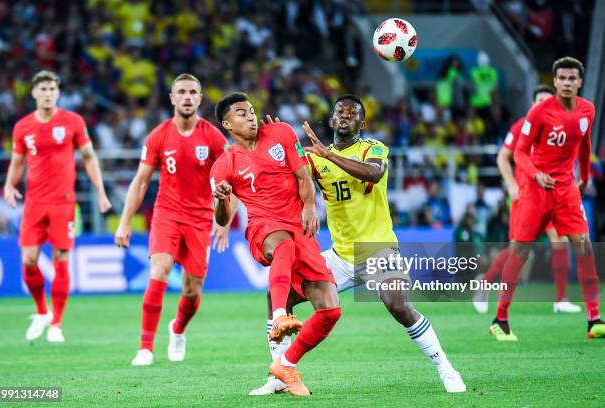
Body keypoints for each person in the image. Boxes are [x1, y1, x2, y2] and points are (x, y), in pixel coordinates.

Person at [250, 95, 466, 396]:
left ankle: (446, 368)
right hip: (339, 256)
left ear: (362, 123)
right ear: (331, 120)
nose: (346, 114)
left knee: (398, 304)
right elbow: (290, 177)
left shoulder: (373, 148)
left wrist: (328, 154)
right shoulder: (315, 160)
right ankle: (279, 374)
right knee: (280, 300)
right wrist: (274, 140)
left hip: (378, 249)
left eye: (353, 112)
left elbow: (373, 173)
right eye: (340, 110)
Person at [210, 92, 341, 396]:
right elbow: (222, 218)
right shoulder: (224, 164)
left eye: (253, 111)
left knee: (330, 311)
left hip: (300, 227)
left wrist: (309, 206)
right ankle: (280, 315)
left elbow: (303, 176)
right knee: (283, 247)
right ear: (228, 124)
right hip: (263, 228)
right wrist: (220, 200)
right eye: (242, 114)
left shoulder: (281, 133)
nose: (252, 116)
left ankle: (285, 366)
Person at [114, 74, 232, 366]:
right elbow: (140, 182)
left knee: (192, 292)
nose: (188, 97)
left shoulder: (214, 137)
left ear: (200, 98)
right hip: (166, 213)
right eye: (182, 92)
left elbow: (232, 181)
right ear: (172, 98)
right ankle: (145, 348)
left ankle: (177, 329)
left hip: (201, 218)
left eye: (193, 92)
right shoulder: (158, 136)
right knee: (160, 271)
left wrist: (224, 220)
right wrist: (124, 221)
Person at [491, 57, 605, 340]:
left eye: (572, 79)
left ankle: (594, 318)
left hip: (567, 189)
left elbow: (584, 144)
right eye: (562, 79)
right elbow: (518, 153)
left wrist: (585, 178)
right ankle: (500, 319)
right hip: (535, 190)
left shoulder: (587, 110)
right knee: (520, 251)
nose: (567, 83)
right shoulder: (540, 112)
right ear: (555, 81)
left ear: (579, 82)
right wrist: (535, 173)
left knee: (583, 247)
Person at [4, 70, 111, 343]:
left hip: (63, 203)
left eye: (53, 89)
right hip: (34, 203)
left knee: (61, 259)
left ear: (58, 92)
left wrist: (100, 191)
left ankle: (57, 324)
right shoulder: (23, 127)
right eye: (43, 89)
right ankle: (41, 311)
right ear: (34, 93)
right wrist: (8, 185)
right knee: (28, 260)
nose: (48, 93)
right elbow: (17, 162)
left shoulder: (73, 121)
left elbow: (89, 156)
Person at [473, 84, 581, 317]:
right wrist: (512, 184)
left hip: (552, 195)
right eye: (539, 101)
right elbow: (503, 157)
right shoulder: (522, 126)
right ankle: (485, 282)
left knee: (559, 239)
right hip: (527, 198)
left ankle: (561, 299)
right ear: (533, 104)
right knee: (519, 251)